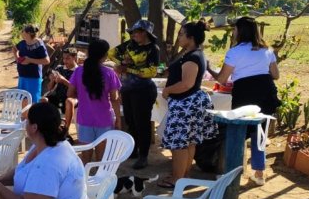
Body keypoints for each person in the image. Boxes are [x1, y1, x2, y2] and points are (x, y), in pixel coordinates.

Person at [208, 17, 279, 186]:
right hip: (266, 92)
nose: (233, 32)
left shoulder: (235, 51)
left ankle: (231, 173)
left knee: (237, 132)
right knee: (259, 132)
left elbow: (223, 79)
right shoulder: (267, 50)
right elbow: (275, 75)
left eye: (235, 29)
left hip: (245, 93)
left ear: (240, 31)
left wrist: (211, 69)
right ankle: (259, 173)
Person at [158, 21, 218, 188]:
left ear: (191, 38)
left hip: (186, 104)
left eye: (182, 34)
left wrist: (168, 90)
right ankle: (184, 175)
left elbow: (187, 84)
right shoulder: (193, 53)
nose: (179, 37)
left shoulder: (193, 56)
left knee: (179, 144)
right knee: (189, 142)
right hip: (188, 103)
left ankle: (177, 179)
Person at [109, 19, 160, 169]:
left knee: (142, 123)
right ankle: (134, 150)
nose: (134, 35)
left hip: (143, 91)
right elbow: (111, 53)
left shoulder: (153, 49)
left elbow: (151, 72)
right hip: (127, 89)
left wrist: (128, 68)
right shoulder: (130, 45)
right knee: (131, 121)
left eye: (137, 32)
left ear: (145, 33)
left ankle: (143, 155)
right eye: (132, 32)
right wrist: (122, 63)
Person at [68, 39, 122, 162]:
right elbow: (115, 98)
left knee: (85, 157)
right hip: (104, 119)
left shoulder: (78, 71)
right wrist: (118, 118)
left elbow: (69, 93)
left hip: (84, 118)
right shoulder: (110, 73)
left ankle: (84, 180)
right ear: (104, 55)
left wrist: (82, 94)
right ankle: (100, 180)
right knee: (101, 158)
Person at [42, 47, 78, 131]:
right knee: (43, 100)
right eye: (64, 58)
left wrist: (64, 81)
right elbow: (50, 88)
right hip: (59, 96)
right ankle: (48, 128)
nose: (65, 61)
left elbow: (79, 90)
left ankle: (66, 130)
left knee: (69, 101)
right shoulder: (59, 69)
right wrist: (51, 80)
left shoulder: (79, 71)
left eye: (68, 58)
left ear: (74, 57)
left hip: (73, 97)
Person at [13, 24, 50, 103]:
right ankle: (24, 116)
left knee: (33, 101)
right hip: (22, 76)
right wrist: (17, 58)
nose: (21, 33)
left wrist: (30, 60)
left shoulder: (39, 45)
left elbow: (47, 61)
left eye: (23, 31)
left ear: (28, 33)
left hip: (34, 78)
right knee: (22, 100)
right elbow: (14, 48)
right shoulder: (23, 43)